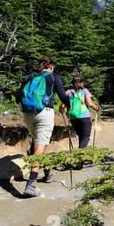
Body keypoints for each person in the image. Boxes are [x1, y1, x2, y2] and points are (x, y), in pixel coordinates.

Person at [17, 57, 72, 198]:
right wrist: (68, 104)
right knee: (39, 147)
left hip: (28, 114)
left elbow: (18, 96)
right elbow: (62, 95)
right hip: (45, 112)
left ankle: (48, 173)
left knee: (42, 142)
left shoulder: (30, 76)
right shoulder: (53, 77)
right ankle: (30, 185)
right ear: (51, 67)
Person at [61, 77, 99, 151]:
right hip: (84, 116)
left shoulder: (68, 92)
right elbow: (89, 103)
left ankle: (81, 154)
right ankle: (80, 153)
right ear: (81, 83)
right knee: (86, 137)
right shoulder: (84, 91)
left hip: (73, 118)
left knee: (81, 136)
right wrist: (96, 107)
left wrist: (63, 110)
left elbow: (62, 106)